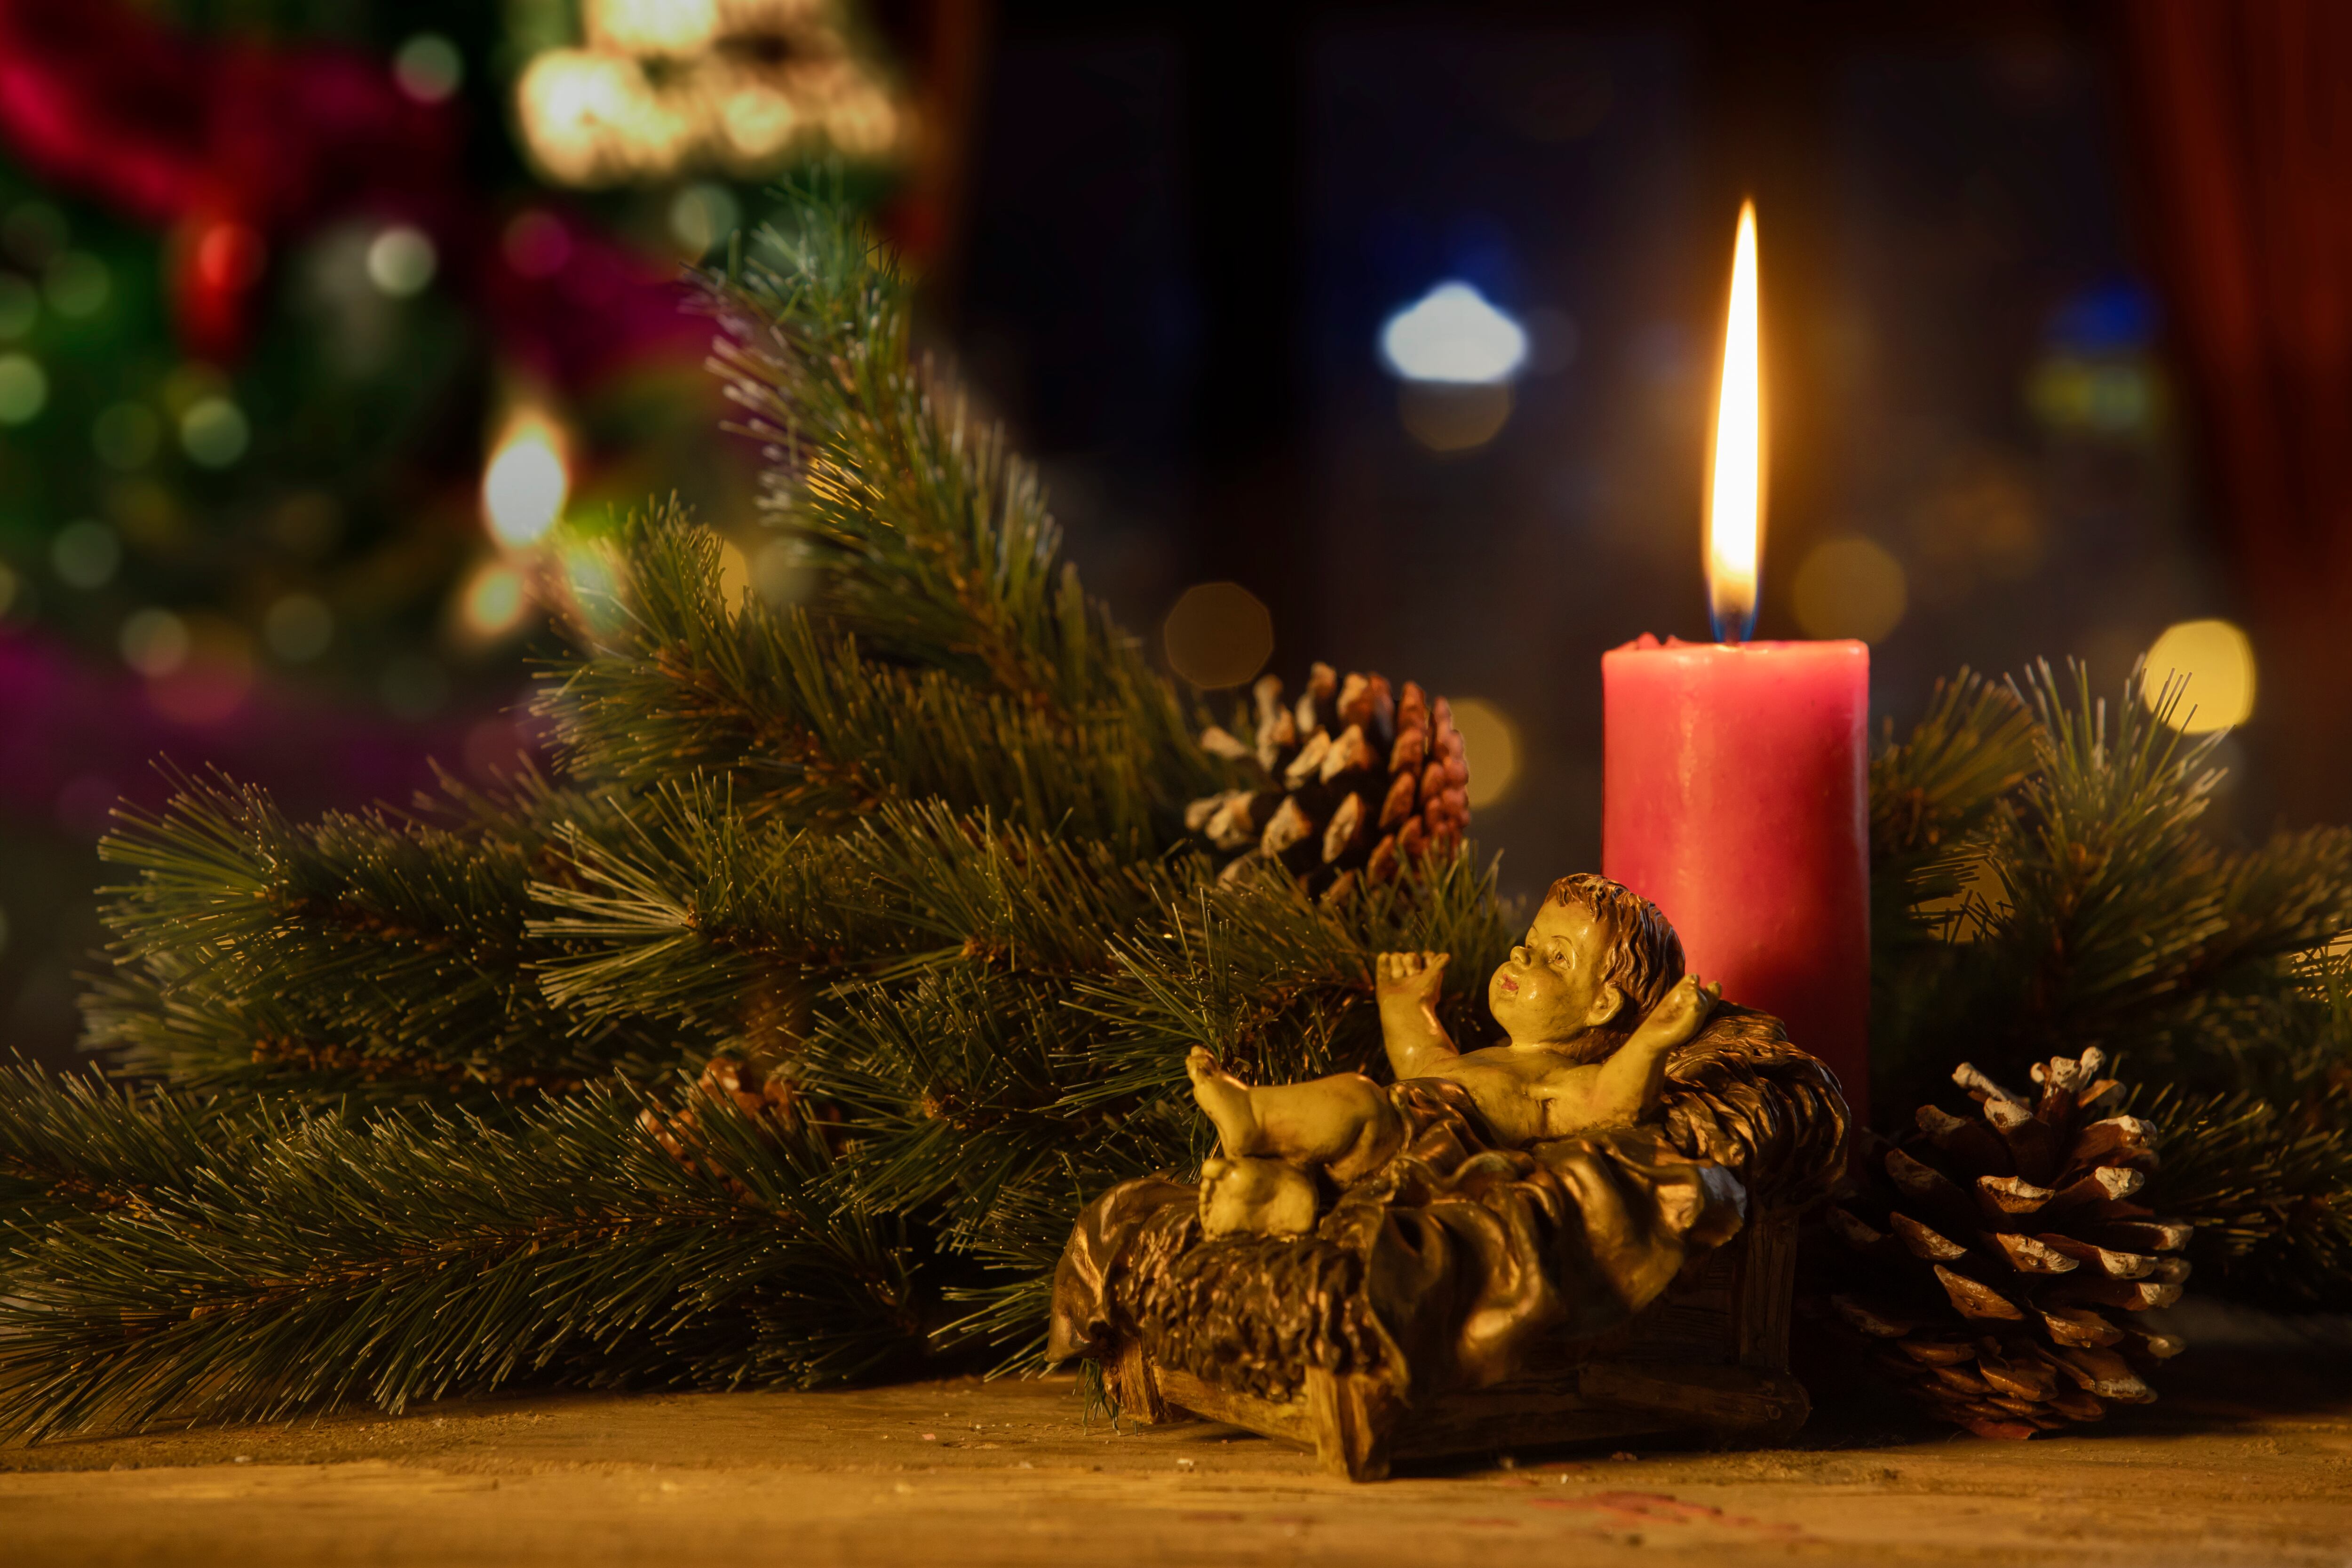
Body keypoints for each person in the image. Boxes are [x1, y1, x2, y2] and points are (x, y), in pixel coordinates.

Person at [1186, 873, 1718, 1235]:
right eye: (1529, 942)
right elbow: (1422, 1062)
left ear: (1602, 1005)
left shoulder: (1555, 1084)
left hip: (1416, 1152)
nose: (1521, 955)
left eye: (1556, 959)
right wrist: (1405, 1006)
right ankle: (1271, 1194)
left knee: (1355, 1097)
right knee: (1345, 1119)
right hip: (1387, 1135)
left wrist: (1654, 1040)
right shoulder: (1484, 1058)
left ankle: (1251, 1115)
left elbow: (1614, 1101)